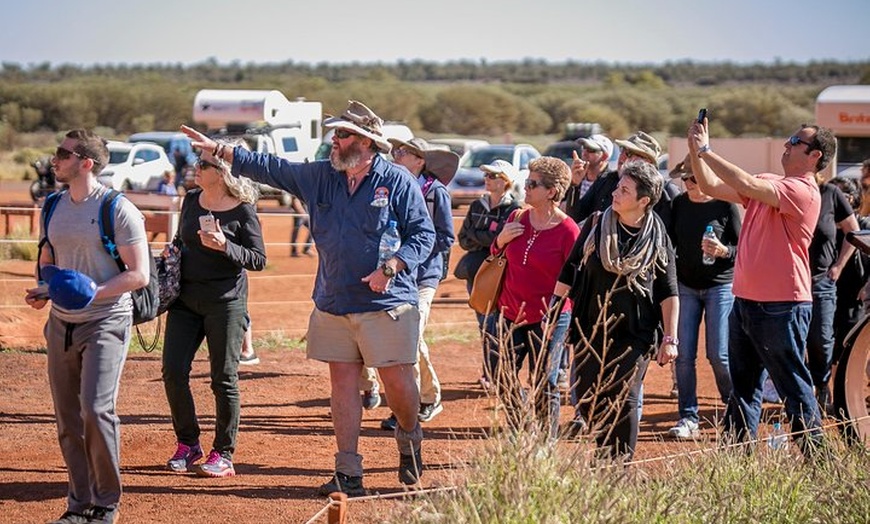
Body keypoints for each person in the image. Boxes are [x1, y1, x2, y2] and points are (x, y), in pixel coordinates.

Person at [181, 100, 435, 495]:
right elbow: (273, 168)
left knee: (396, 384)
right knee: (343, 385)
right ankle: (348, 471)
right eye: (335, 133)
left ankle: (409, 435)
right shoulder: (320, 176)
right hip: (333, 300)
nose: (335, 140)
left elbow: (424, 235)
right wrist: (220, 151)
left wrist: (392, 268)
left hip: (387, 302)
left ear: (367, 143)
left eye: (344, 134)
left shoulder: (398, 181)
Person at [688, 120, 836, 456]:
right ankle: (738, 460)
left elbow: (744, 183)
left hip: (782, 306)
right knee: (743, 387)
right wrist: (695, 150)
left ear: (814, 155)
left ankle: (819, 461)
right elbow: (710, 186)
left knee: (794, 388)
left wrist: (706, 150)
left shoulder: (803, 191)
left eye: (795, 141)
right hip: (747, 303)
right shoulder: (770, 183)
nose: (787, 143)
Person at [25, 129, 150, 524]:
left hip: (106, 321)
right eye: (57, 151)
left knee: (96, 411)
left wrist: (90, 293)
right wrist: (48, 287)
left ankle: (106, 503)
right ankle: (79, 505)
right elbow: (48, 255)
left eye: (63, 153)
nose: (54, 159)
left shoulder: (118, 209)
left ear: (86, 163)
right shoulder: (53, 205)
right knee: (67, 419)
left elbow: (139, 274)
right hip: (60, 323)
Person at [554, 160, 679, 460]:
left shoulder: (658, 239)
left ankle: (618, 464)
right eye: (617, 186)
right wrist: (554, 312)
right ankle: (604, 446)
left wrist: (670, 339)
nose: (615, 193)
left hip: (635, 332)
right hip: (589, 326)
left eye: (624, 190)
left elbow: (668, 291)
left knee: (624, 395)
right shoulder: (597, 224)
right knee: (587, 395)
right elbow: (569, 270)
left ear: (644, 200)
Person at [161, 147, 266, 478]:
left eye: (203, 164)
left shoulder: (244, 211)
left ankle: (223, 453)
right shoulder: (191, 200)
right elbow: (181, 240)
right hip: (185, 300)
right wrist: (172, 250)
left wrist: (225, 246)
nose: (196, 168)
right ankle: (189, 443)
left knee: (223, 379)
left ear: (221, 173)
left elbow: (257, 259)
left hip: (225, 302)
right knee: (173, 371)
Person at [485, 157, 579, 437]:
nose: (525, 188)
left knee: (544, 383)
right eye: (526, 182)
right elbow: (495, 256)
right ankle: (521, 427)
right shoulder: (516, 218)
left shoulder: (568, 230)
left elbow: (575, 279)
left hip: (548, 317)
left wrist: (559, 314)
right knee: (501, 375)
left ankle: (545, 445)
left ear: (551, 191)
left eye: (532, 184)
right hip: (509, 312)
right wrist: (500, 240)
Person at [378, 137, 458, 430]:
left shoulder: (435, 192)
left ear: (419, 160)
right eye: (396, 151)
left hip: (423, 276)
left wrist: (413, 251)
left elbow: (446, 236)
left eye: (403, 152)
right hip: (398, 276)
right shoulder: (397, 187)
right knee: (402, 338)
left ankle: (426, 399)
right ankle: (411, 402)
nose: (396, 155)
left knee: (410, 336)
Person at [665, 157, 741, 439]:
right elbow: (668, 241)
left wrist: (723, 251)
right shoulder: (678, 205)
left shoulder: (725, 205)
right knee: (683, 355)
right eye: (684, 179)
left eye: (693, 178)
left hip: (720, 286)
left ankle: (736, 409)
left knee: (718, 354)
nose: (688, 184)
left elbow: (742, 246)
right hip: (685, 286)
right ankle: (688, 416)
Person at [455, 159, 522, 390]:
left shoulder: (514, 209)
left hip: (501, 274)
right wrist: (490, 237)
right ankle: (490, 373)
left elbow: (506, 243)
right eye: (486, 175)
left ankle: (497, 374)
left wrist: (480, 235)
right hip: (477, 273)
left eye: (493, 176)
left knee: (496, 325)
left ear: (505, 182)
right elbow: (464, 239)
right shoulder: (477, 206)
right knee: (484, 324)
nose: (487, 179)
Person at [805, 172, 859, 414]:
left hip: (821, 282)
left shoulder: (830, 194)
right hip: (790, 283)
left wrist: (838, 265)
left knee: (820, 339)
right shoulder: (790, 192)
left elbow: (853, 231)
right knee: (793, 339)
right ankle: (802, 393)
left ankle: (822, 386)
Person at [569, 131, 680, 228]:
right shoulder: (606, 180)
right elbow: (576, 217)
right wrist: (575, 184)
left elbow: (670, 238)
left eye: (629, 154)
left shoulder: (666, 192)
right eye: (622, 150)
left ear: (648, 162)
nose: (622, 157)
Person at [827, 177, 870, 367]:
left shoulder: (865, 226)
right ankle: (834, 393)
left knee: (851, 346)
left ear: (851, 199)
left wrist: (868, 284)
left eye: (840, 196)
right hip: (828, 293)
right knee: (830, 347)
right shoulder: (826, 228)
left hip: (856, 296)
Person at [564, 134, 614, 222]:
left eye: (591, 149)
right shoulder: (575, 175)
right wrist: (574, 184)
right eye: (584, 147)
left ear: (604, 156)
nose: (585, 152)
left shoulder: (611, 182)